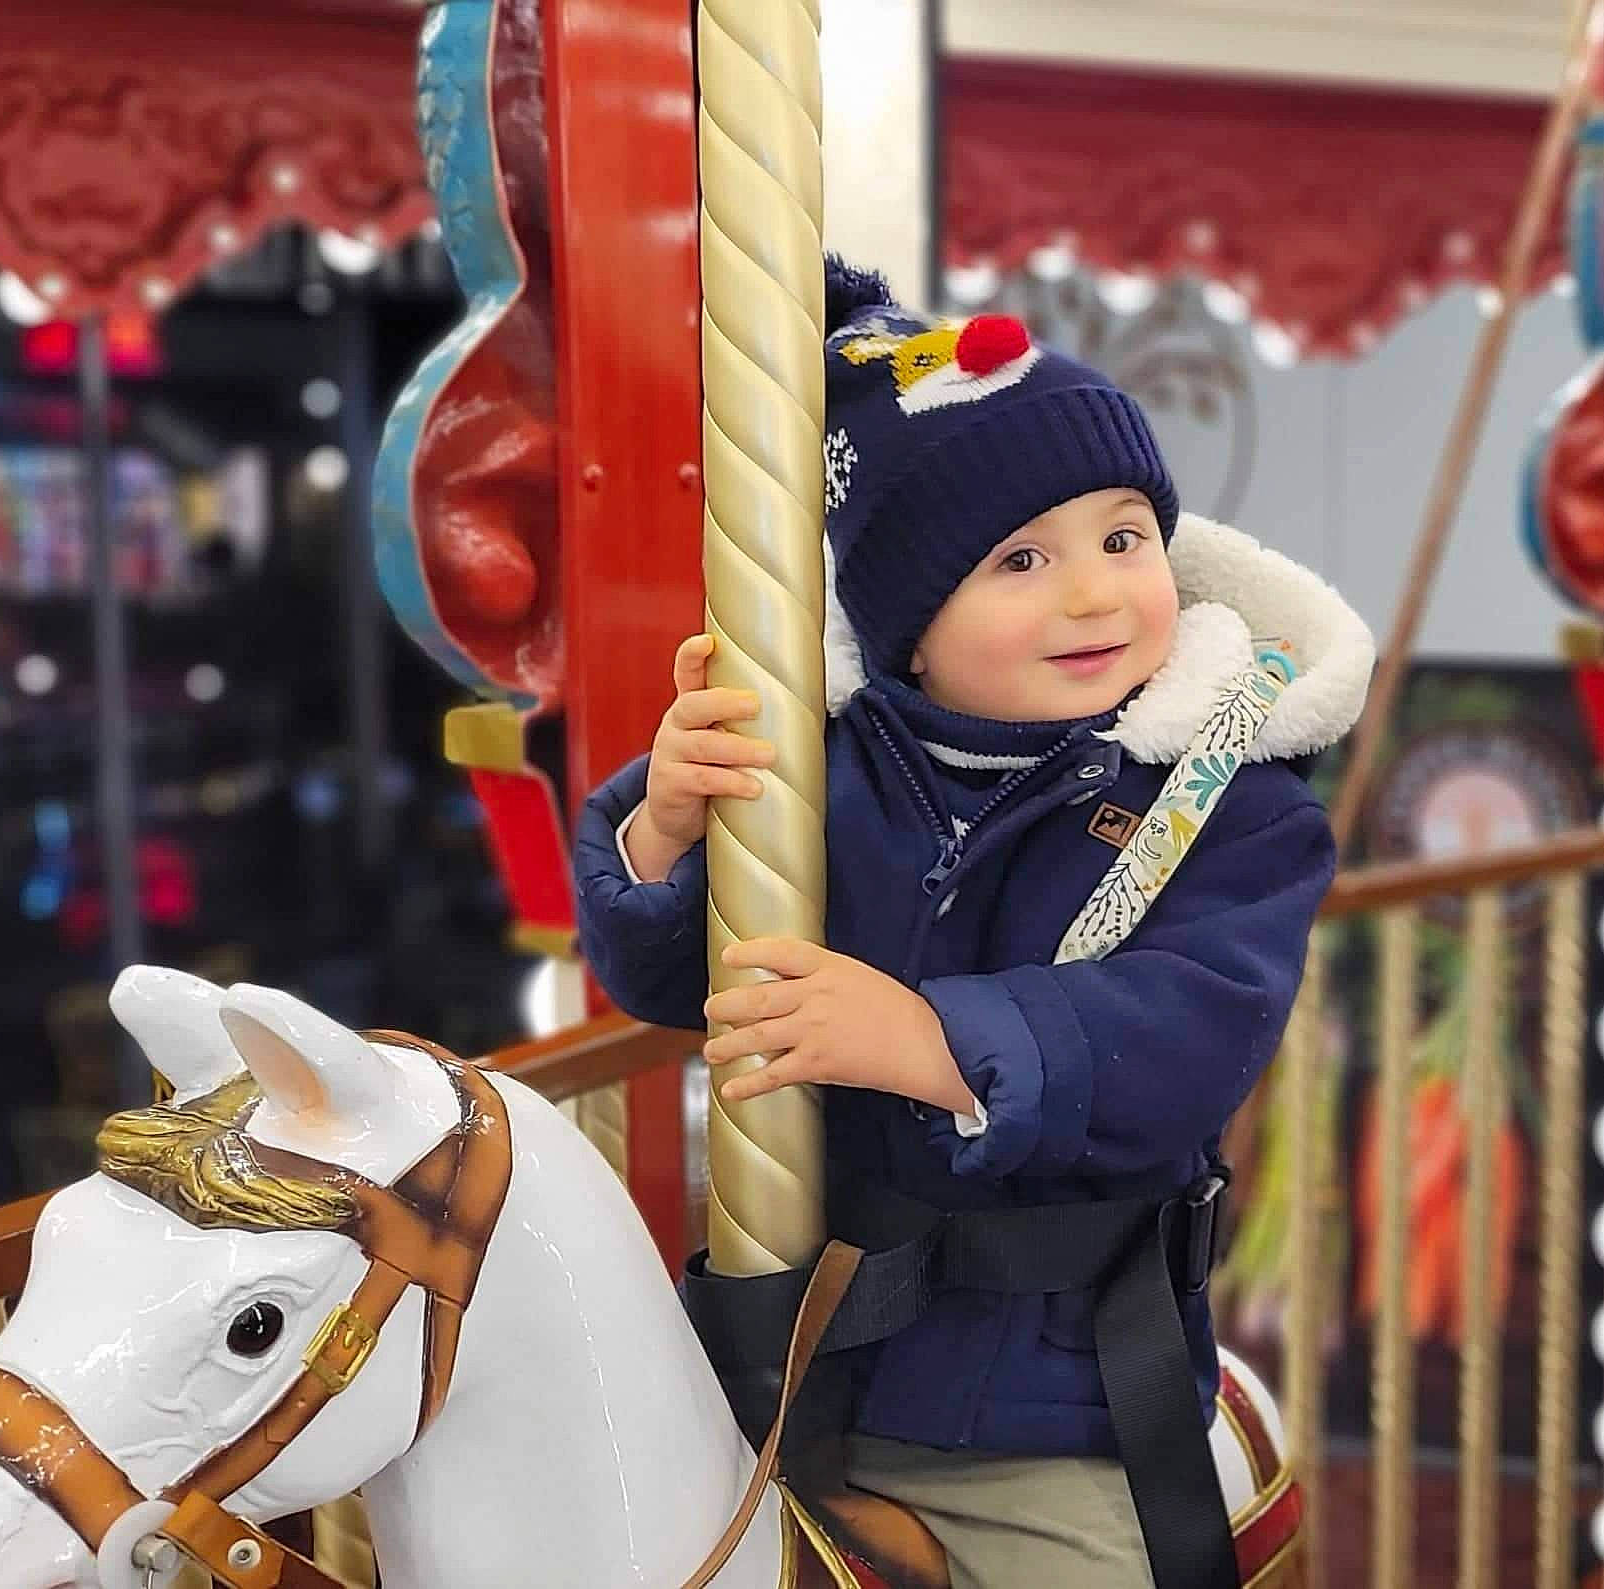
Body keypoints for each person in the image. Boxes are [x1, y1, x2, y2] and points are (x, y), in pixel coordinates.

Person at [573, 258, 1373, 1587]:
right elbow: (677, 981)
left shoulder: (1228, 804)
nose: (1095, 593)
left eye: (1123, 538)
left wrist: (930, 1038)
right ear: (906, 624)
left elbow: (1190, 1035)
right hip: (785, 1346)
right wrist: (665, 827)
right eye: (1021, 559)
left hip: (1042, 1399)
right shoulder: (829, 767)